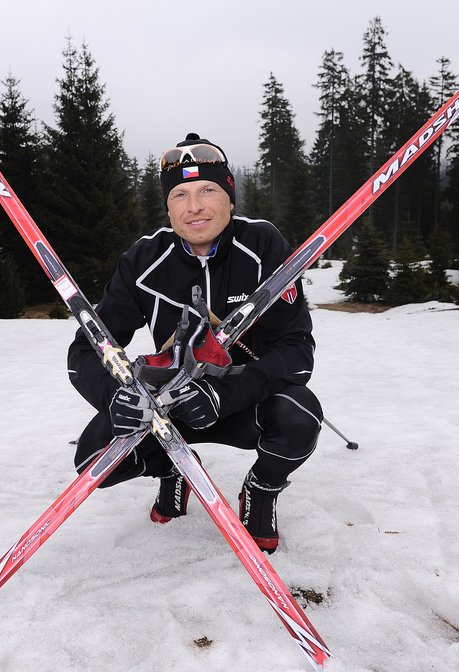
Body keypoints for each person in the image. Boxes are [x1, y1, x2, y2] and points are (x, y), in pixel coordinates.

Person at [67, 133, 322, 554]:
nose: (195, 206)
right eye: (180, 195)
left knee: (299, 415)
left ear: (230, 198)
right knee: (94, 463)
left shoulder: (261, 245)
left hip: (240, 400)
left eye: (208, 190)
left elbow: (296, 352)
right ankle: (173, 468)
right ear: (168, 207)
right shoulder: (143, 260)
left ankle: (261, 488)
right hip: (167, 406)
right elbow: (85, 352)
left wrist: (227, 395)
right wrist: (118, 397)